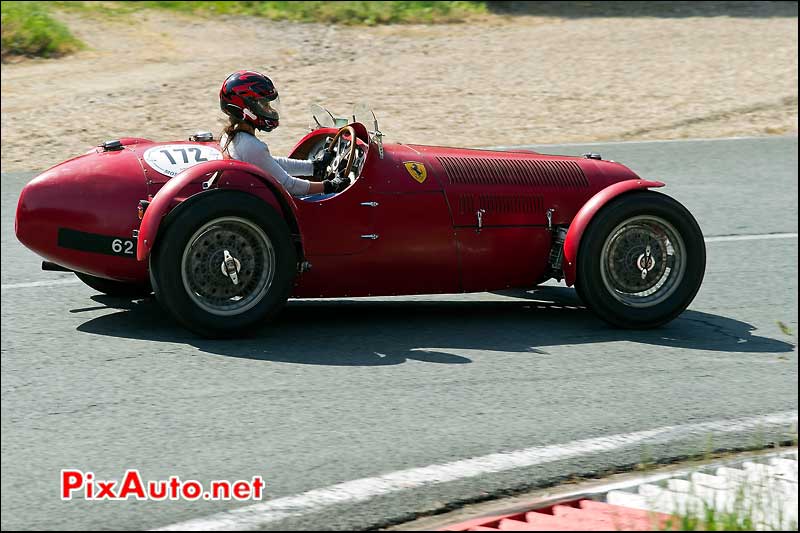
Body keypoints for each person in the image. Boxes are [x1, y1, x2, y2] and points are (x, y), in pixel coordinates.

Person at [218, 70, 350, 197]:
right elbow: (289, 185)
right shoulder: (251, 146)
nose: (271, 110)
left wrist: (313, 166)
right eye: (264, 105)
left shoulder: (230, 137)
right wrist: (330, 186)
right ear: (246, 109)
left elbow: (270, 163)